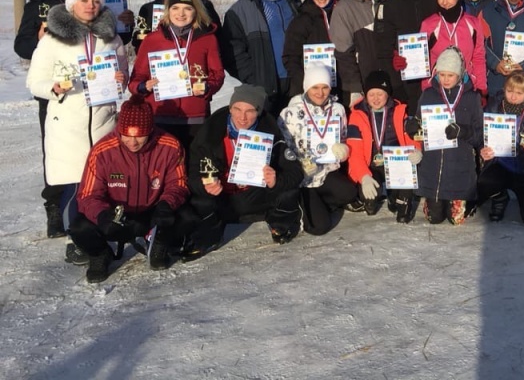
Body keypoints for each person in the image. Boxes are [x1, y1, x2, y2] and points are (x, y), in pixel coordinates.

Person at [26, 0, 128, 264]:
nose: (90, 6)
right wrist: (55, 88)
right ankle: (77, 238)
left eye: (95, 2)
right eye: (84, 0)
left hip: (103, 123)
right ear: (72, 6)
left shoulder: (112, 38)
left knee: (104, 183)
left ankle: (103, 231)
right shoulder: (52, 40)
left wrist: (121, 80)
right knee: (74, 185)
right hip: (68, 122)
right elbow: (34, 81)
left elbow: (123, 76)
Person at [70, 97, 190, 282]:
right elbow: (88, 195)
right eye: (127, 135)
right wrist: (102, 215)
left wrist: (166, 204)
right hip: (118, 216)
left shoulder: (170, 146)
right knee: (79, 227)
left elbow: (179, 183)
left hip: (152, 211)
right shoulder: (102, 151)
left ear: (150, 130)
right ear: (119, 129)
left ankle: (158, 243)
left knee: (187, 216)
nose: (133, 142)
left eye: (139, 135)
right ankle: (100, 253)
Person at [184, 85, 303, 258]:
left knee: (288, 192)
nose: (242, 117)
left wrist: (276, 180)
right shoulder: (210, 133)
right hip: (222, 198)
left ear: (259, 111)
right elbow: (192, 174)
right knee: (198, 201)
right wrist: (204, 185)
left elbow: (295, 172)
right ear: (230, 108)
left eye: (250, 111)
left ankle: (280, 224)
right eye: (237, 109)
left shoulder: (271, 131)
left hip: (256, 195)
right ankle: (209, 237)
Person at [16, 0, 87, 238]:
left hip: (90, 87)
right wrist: (37, 40)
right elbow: (21, 47)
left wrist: (127, 22)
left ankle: (93, 202)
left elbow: (114, 36)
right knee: (56, 151)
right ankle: (55, 209)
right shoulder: (39, 4)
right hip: (55, 91)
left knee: (94, 147)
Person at [129, 0, 225, 163]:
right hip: (160, 114)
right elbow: (135, 79)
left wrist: (207, 87)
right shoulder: (152, 40)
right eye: (175, 8)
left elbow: (217, 74)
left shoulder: (207, 39)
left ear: (196, 11)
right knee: (162, 166)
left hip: (194, 116)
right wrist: (143, 87)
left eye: (187, 8)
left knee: (192, 165)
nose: (181, 14)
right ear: (167, 11)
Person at [277, 64, 359, 235]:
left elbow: (343, 137)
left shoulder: (338, 110)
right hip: (303, 178)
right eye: (315, 87)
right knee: (319, 227)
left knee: (350, 192)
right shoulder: (290, 113)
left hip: (326, 172)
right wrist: (300, 163)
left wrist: (343, 150)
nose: (320, 93)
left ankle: (320, 204)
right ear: (307, 87)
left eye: (325, 87)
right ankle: (304, 206)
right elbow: (282, 149)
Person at [221, 0, 300, 116]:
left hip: (295, 84)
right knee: (267, 134)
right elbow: (232, 52)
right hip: (262, 89)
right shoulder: (240, 11)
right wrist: (254, 79)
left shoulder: (295, 4)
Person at [413, 48, 484, 225]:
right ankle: (432, 201)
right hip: (434, 165)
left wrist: (462, 131)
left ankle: (467, 201)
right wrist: (411, 126)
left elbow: (480, 134)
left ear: (459, 74)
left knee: (455, 219)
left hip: (460, 164)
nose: (445, 79)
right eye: (441, 74)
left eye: (450, 75)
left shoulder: (472, 97)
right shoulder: (428, 95)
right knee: (435, 219)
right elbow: (417, 124)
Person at [347, 70, 421, 224]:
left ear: (387, 94)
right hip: (371, 166)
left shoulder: (399, 111)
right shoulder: (356, 115)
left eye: (380, 94)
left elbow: (410, 137)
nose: (375, 99)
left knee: (401, 211)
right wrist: (363, 176)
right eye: (371, 94)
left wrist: (416, 150)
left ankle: (399, 199)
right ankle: (372, 197)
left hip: (395, 163)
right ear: (365, 95)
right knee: (370, 206)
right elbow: (354, 152)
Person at [478, 71, 524, 227]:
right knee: (482, 186)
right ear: (504, 89)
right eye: (509, 91)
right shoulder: (493, 107)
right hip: (500, 164)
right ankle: (499, 197)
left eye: (519, 93)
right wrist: (483, 149)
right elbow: (481, 135)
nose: (513, 97)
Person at [377, 0, 438, 114]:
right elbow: (383, 48)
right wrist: (395, 81)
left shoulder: (434, 1)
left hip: (435, 78)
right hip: (405, 82)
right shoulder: (389, 5)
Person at [420, 0, 487, 94]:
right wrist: (426, 87)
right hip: (436, 88)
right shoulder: (428, 24)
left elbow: (478, 57)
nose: (445, 2)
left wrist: (481, 87)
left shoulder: (473, 23)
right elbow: (422, 59)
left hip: (466, 87)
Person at [329, 0, 384, 105]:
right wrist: (355, 88)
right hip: (359, 84)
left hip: (380, 85)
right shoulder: (344, 9)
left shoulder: (383, 6)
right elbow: (343, 52)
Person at [282, 0, 340, 99]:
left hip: (339, 86)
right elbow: (290, 57)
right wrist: (306, 83)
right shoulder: (302, 19)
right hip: (310, 90)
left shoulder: (342, 14)